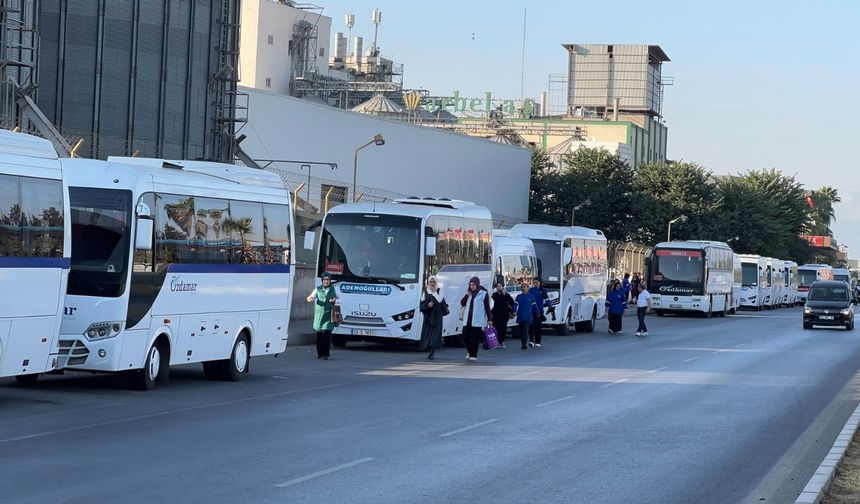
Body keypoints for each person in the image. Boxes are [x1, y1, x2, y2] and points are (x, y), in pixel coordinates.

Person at [307, 272, 340, 359]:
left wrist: (335, 301)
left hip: (329, 315)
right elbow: (311, 297)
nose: (326, 281)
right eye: (324, 279)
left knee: (327, 334)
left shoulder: (334, 289)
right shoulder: (318, 289)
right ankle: (320, 353)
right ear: (322, 281)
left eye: (328, 279)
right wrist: (310, 298)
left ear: (330, 280)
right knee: (319, 335)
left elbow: (341, 299)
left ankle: (326, 354)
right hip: (319, 315)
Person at [460, 276, 492, 361]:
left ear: (477, 284)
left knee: (475, 338)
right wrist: (466, 295)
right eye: (470, 285)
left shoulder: (483, 294)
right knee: (465, 335)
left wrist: (490, 319)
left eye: (473, 285)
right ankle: (470, 351)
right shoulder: (469, 294)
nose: (472, 287)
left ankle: (473, 355)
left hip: (477, 320)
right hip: (467, 320)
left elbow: (487, 307)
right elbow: (462, 303)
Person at [419, 276, 447, 360]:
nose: (432, 283)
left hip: (437, 315)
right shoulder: (425, 291)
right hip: (428, 315)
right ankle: (428, 348)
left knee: (435, 334)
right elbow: (421, 303)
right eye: (430, 282)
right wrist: (427, 305)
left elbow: (440, 300)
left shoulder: (439, 290)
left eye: (434, 282)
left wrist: (434, 292)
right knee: (427, 333)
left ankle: (432, 352)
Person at [491, 281, 515, 349]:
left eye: (500, 286)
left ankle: (502, 341)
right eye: (497, 286)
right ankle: (497, 342)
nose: (499, 287)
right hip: (496, 314)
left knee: (503, 329)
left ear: (503, 286)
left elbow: (512, 303)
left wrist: (512, 312)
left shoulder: (507, 295)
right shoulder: (494, 295)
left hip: (504, 314)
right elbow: (497, 302)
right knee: (496, 328)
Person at [513, 282, 536, 349]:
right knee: (521, 330)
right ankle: (523, 343)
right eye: (522, 287)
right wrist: (514, 311)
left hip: (528, 315)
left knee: (525, 329)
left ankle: (524, 345)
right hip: (520, 315)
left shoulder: (531, 296)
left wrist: (537, 312)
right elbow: (515, 305)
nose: (523, 288)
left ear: (528, 288)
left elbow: (534, 305)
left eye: (524, 287)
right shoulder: (519, 296)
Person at [528, 277, 550, 347]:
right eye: (534, 283)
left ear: (539, 282)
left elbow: (547, 299)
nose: (535, 284)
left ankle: (537, 341)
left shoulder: (543, 290)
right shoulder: (531, 290)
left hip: (539, 311)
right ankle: (531, 341)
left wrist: (550, 306)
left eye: (536, 282)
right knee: (531, 326)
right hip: (532, 311)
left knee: (538, 327)